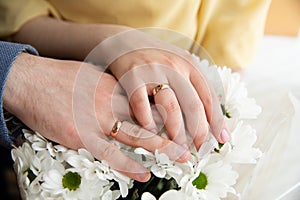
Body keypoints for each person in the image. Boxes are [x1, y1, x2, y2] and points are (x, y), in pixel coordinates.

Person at [0, 0, 271, 182]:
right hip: (52, 73)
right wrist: (110, 42)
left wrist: (208, 100)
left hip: (176, 77)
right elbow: (15, 12)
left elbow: (232, 29)